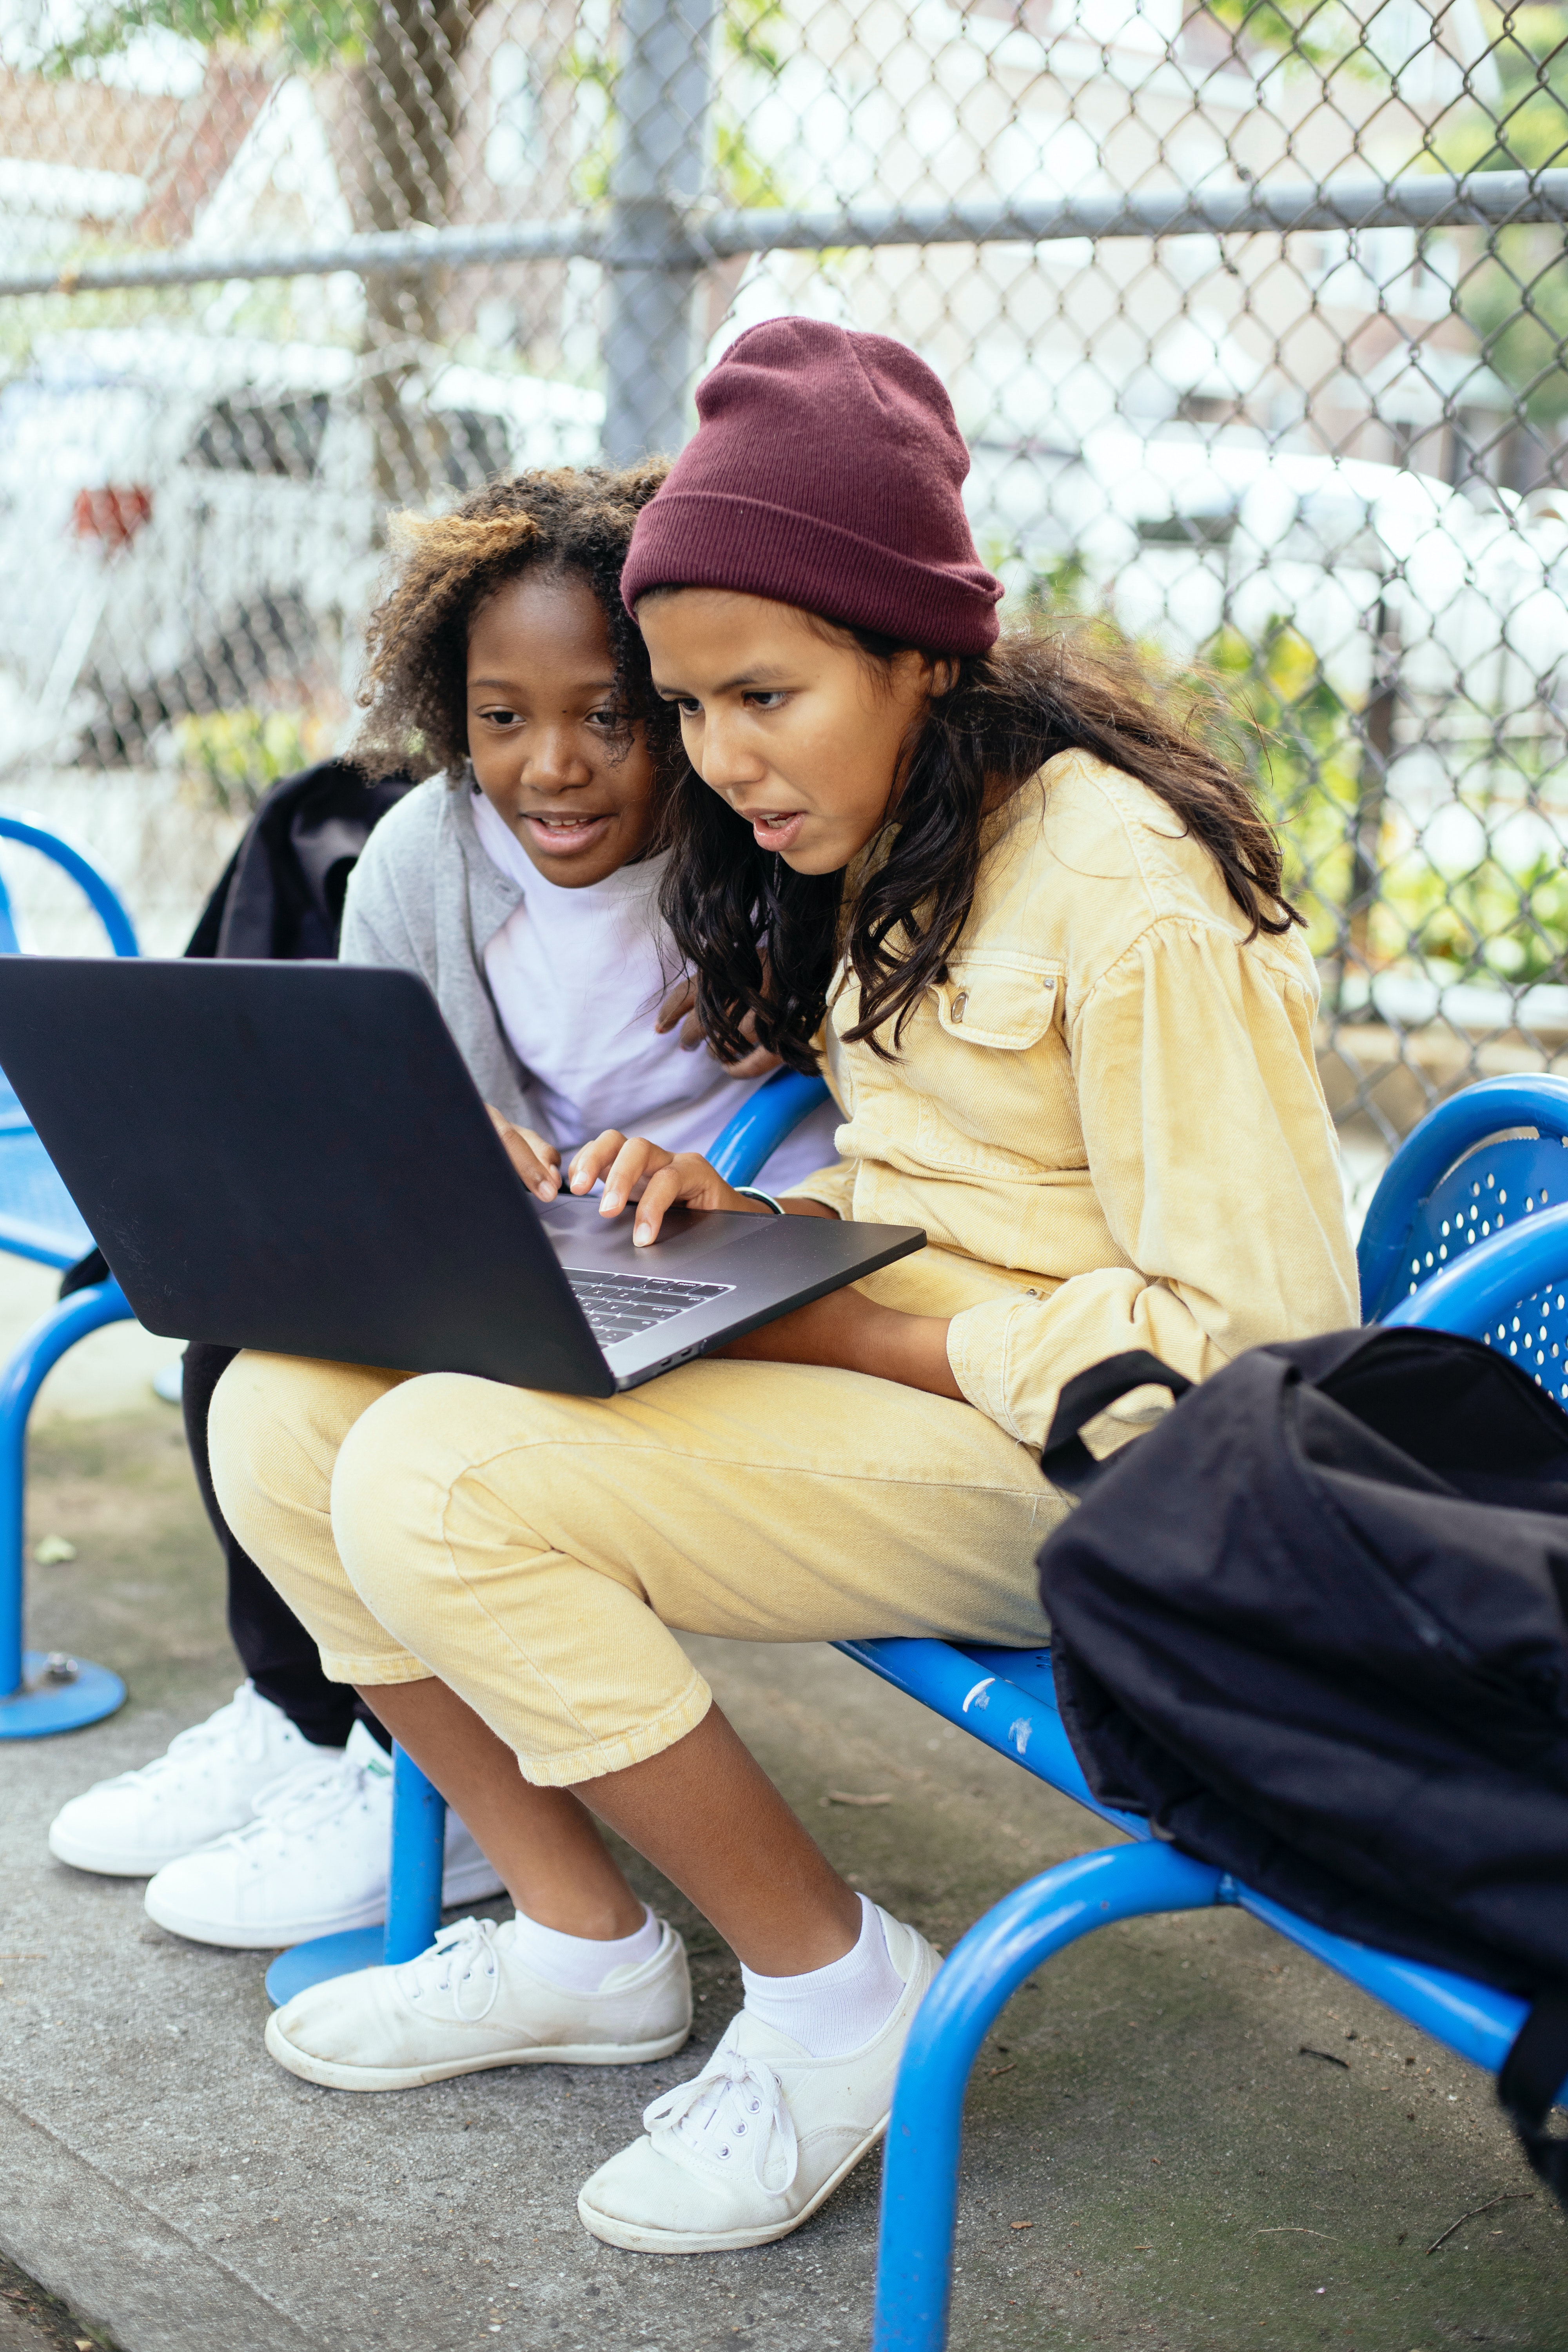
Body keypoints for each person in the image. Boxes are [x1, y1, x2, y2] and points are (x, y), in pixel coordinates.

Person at [206, 319, 1359, 2252]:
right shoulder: (902, 834)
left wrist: (864, 1326)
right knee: (285, 1411)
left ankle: (839, 1992)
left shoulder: (1127, 891)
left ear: (917, 650)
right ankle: (582, 1941)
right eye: (694, 708)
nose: (724, 762)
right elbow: (938, 1178)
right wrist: (740, 1221)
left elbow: (1262, 1354)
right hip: (884, 1370)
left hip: (1094, 1485)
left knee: (440, 1478)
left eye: (765, 696)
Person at [45, 460, 838, 1953]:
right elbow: (429, 1102)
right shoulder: (422, 859)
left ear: (673, 704)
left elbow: (849, 1093)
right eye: (502, 719)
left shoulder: (760, 846)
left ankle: (423, 1779)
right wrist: (448, 1136)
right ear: (447, 716)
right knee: (256, 1341)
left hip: (722, 1254)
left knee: (395, 1429)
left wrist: (768, 1039)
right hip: (538, 1252)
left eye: (609, 714)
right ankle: (325, 1730)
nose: (554, 765)